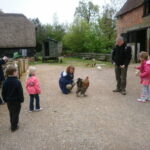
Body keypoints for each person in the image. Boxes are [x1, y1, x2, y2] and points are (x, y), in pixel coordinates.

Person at [2, 65, 24, 132]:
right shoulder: (17, 81)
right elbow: (20, 92)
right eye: (16, 71)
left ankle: (12, 123)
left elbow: (3, 92)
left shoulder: (5, 82)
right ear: (14, 72)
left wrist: (5, 99)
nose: (17, 72)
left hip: (9, 101)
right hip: (16, 101)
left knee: (11, 112)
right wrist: (21, 99)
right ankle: (14, 126)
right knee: (16, 113)